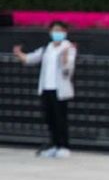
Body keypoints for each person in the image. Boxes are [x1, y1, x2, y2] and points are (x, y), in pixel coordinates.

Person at [11, 20, 77, 158]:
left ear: (65, 32)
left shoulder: (68, 47)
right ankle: (53, 145)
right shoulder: (47, 48)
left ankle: (64, 146)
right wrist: (19, 54)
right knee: (49, 118)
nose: (56, 33)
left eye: (59, 30)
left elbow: (68, 68)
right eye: (54, 30)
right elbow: (31, 58)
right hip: (46, 88)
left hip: (60, 90)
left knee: (60, 118)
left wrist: (65, 58)